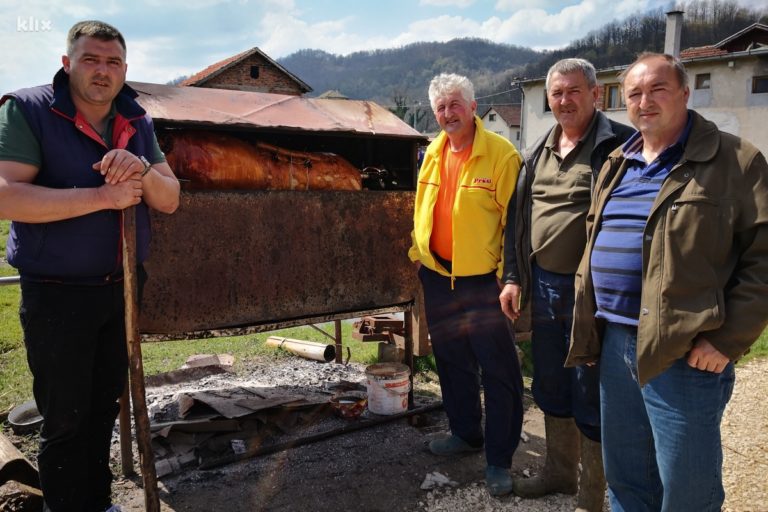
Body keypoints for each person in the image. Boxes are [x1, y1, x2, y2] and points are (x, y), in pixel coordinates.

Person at [566, 52, 768, 511]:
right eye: (634, 93)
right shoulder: (617, 162)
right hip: (615, 342)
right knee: (627, 482)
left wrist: (728, 339)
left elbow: (763, 259)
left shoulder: (734, 161)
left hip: (683, 351)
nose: (644, 101)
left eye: (657, 89)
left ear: (684, 93)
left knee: (686, 491)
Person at [0, 20, 180, 512]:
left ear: (125, 71)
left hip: (119, 286)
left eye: (113, 62)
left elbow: (169, 199)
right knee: (65, 418)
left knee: (102, 410)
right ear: (67, 64)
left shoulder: (136, 120)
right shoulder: (29, 110)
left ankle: (98, 503)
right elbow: (6, 196)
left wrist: (140, 167)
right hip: (57, 291)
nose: (103, 71)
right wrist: (104, 197)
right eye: (91, 60)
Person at [499, 58, 632, 511]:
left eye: (573, 91)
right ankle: (558, 473)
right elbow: (518, 220)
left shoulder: (619, 146)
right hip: (545, 288)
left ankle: (592, 493)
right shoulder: (538, 151)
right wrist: (514, 277)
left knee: (591, 389)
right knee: (552, 383)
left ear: (596, 94)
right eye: (556, 93)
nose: (563, 100)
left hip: (594, 294)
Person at [408, 73, 524, 496]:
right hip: (439, 278)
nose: (447, 113)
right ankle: (465, 433)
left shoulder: (501, 155)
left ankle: (499, 459)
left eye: (455, 104)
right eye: (440, 107)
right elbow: (423, 208)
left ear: (474, 107)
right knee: (452, 360)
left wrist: (509, 277)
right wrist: (418, 252)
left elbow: (517, 226)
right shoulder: (433, 153)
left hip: (482, 282)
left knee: (498, 371)